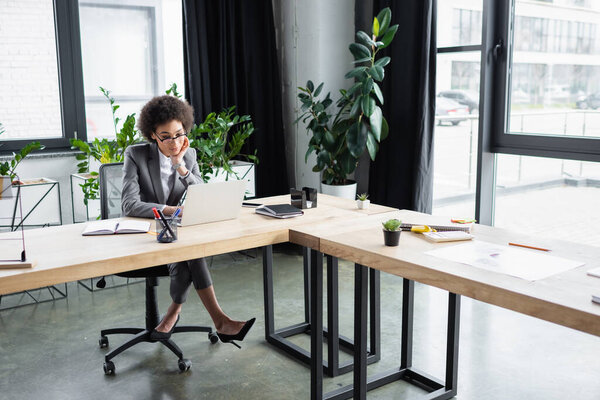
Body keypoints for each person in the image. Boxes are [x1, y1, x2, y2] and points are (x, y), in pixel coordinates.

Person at [121, 94, 254, 346]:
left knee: (189, 251)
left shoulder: (187, 154)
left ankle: (178, 313)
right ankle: (214, 319)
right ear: (152, 134)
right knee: (191, 253)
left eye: (180, 134)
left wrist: (180, 166)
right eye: (166, 136)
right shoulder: (136, 155)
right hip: (144, 235)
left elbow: (200, 193)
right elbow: (129, 204)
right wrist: (171, 210)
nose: (174, 142)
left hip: (174, 234)